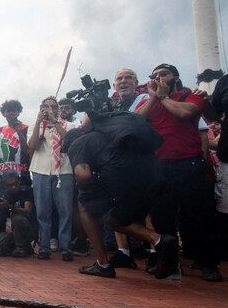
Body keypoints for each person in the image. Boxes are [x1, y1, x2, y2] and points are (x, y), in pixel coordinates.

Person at [65, 112, 179, 278]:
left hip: (124, 177)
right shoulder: (107, 134)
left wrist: (85, 189)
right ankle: (159, 240)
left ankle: (103, 264)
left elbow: (83, 175)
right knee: (116, 219)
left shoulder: (76, 144)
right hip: (155, 173)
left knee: (85, 204)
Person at [136, 63, 219, 281]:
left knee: (199, 217)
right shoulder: (150, 101)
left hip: (188, 164)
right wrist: (154, 97)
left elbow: (185, 113)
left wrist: (163, 97)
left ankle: (209, 263)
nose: (158, 77)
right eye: (154, 75)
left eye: (163, 73)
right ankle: (169, 263)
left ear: (176, 76)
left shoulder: (190, 96)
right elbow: (136, 121)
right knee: (163, 218)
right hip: (160, 166)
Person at [27, 96, 76, 261]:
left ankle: (66, 248)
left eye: (52, 107)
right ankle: (44, 247)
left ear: (58, 109)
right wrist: (38, 124)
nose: (48, 109)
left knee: (65, 211)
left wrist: (55, 122)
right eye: (44, 106)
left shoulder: (68, 125)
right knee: (42, 211)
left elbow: (69, 141)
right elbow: (32, 146)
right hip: (40, 170)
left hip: (64, 171)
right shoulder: (36, 126)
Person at [0, 171, 36, 257]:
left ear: (19, 181)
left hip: (27, 229)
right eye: (9, 185)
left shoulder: (26, 191)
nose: (13, 187)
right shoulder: (6, 195)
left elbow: (27, 210)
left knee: (17, 218)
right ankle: (20, 247)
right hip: (10, 231)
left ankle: (21, 248)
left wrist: (10, 207)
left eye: (15, 183)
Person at [0, 100, 30, 179]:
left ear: (18, 113)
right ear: (4, 114)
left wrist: (19, 132)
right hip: (3, 173)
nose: (11, 113)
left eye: (14, 111)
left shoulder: (26, 128)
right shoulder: (0, 130)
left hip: (22, 173)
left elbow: (28, 150)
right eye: (8, 111)